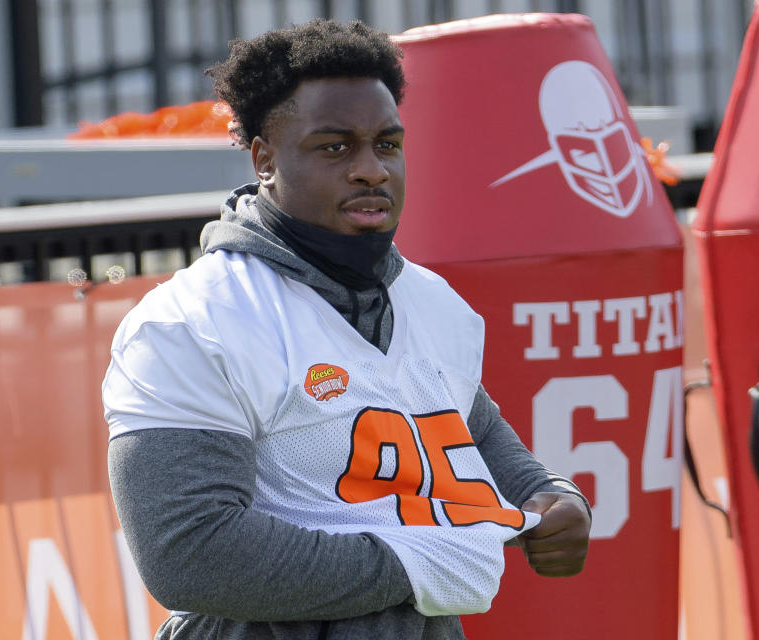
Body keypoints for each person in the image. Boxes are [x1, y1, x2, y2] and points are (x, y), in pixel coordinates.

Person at [104, 18, 591, 640]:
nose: (371, 170)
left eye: (386, 144)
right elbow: (192, 556)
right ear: (264, 159)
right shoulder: (191, 322)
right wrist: (422, 559)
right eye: (335, 147)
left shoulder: (432, 302)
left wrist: (552, 497)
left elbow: (473, 437)